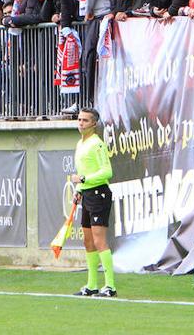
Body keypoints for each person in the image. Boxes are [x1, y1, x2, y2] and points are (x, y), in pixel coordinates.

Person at [70, 107, 116, 298]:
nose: (81, 123)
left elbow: (107, 172)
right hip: (88, 193)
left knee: (99, 240)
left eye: (85, 120)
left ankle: (110, 286)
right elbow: (85, 172)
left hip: (99, 194)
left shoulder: (97, 144)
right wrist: (79, 190)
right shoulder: (80, 144)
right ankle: (91, 285)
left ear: (94, 124)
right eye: (79, 119)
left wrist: (83, 180)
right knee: (88, 241)